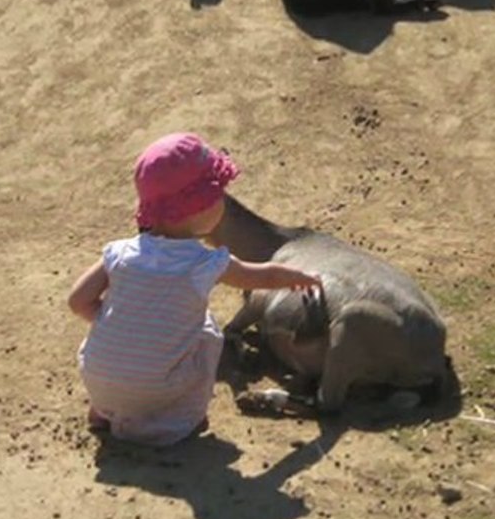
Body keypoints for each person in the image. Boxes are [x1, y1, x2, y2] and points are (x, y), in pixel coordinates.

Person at [68, 132, 321, 446]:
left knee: (114, 355)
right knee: (207, 332)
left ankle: (105, 411)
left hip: (99, 378)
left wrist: (118, 323)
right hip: (156, 391)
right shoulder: (204, 262)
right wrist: (297, 277)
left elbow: (77, 301)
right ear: (199, 208)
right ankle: (183, 417)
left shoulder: (119, 252)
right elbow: (261, 276)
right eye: (218, 195)